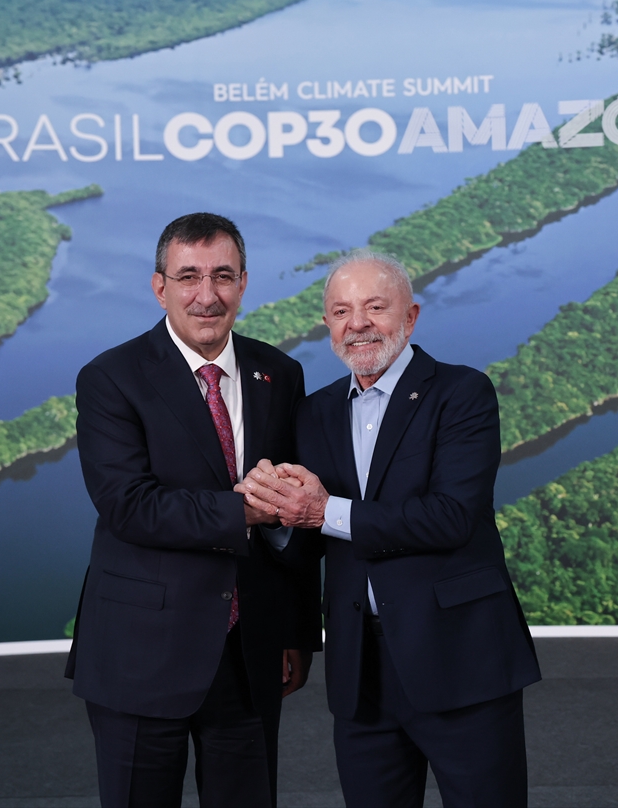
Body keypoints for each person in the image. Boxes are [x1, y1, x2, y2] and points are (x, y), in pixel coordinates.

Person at [239, 250, 541, 808]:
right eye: (341, 311)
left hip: (460, 660)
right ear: (327, 323)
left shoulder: (462, 393)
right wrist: (269, 507)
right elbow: (307, 542)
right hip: (362, 672)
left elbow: (451, 516)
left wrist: (320, 510)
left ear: (412, 316)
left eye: (375, 307)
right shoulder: (314, 413)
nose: (358, 324)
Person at [66, 213, 319, 808]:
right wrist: (245, 512)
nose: (207, 296)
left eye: (223, 276)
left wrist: (296, 632)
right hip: (140, 654)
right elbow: (130, 507)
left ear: (244, 283)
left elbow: (299, 510)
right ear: (160, 287)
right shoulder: (110, 378)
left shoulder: (279, 373)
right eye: (189, 277)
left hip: (249, 651)